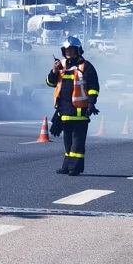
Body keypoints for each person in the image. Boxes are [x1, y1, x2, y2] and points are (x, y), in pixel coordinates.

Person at [47, 36, 100, 175]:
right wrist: (54, 71)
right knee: (68, 142)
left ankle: (74, 168)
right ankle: (67, 166)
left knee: (77, 142)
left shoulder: (86, 66)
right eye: (66, 50)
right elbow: (50, 83)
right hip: (64, 113)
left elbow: (93, 86)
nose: (69, 52)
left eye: (71, 49)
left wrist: (91, 103)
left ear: (78, 50)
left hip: (80, 112)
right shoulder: (61, 66)